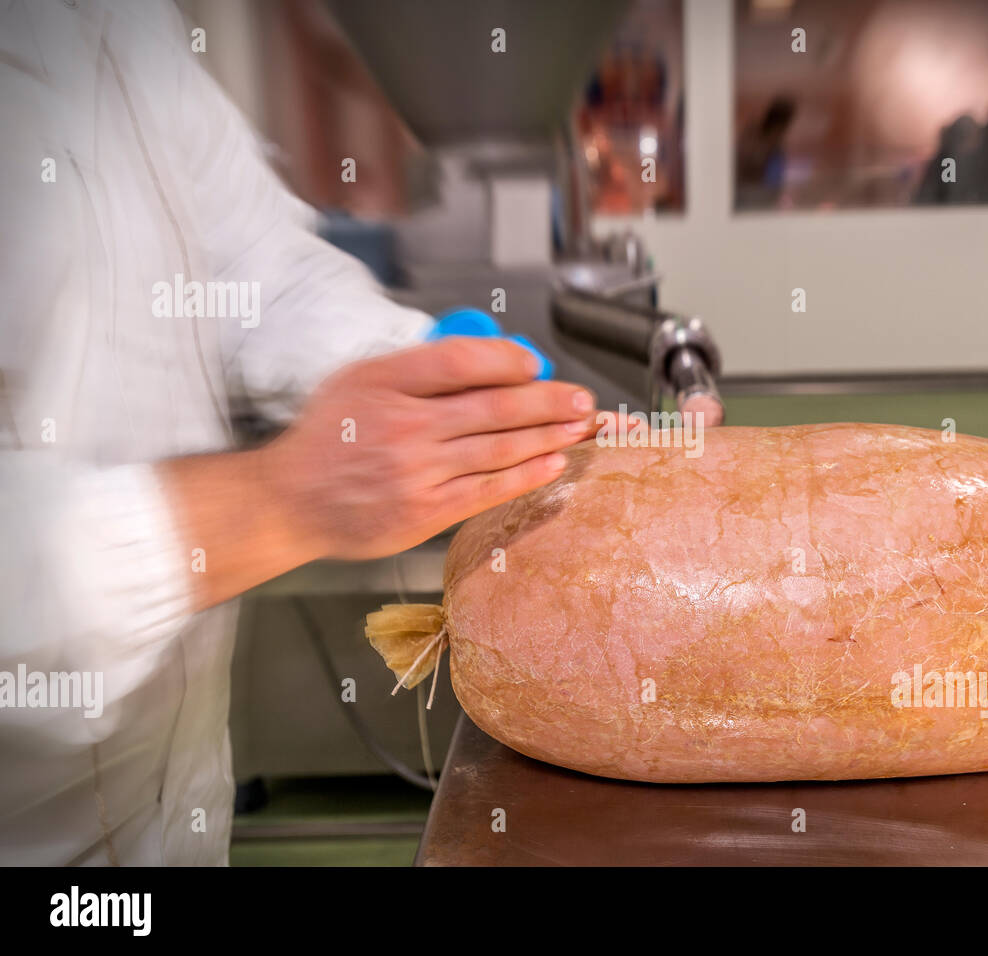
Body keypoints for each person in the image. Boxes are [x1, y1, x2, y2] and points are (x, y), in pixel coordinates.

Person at [0, 0, 596, 864]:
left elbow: (258, 271)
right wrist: (274, 504)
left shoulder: (124, 23)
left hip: (174, 814)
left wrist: (417, 365)